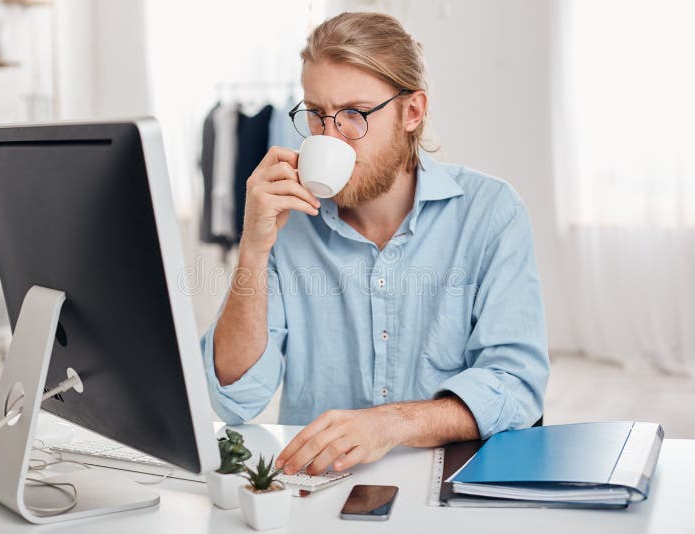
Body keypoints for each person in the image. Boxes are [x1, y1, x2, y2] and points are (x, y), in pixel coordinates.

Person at [200, 11, 549, 476]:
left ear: (412, 112)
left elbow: (518, 387)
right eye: (317, 115)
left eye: (354, 115)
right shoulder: (288, 222)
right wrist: (253, 248)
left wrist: (389, 425)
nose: (330, 137)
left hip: (446, 482)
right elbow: (236, 399)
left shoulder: (491, 213)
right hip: (318, 489)